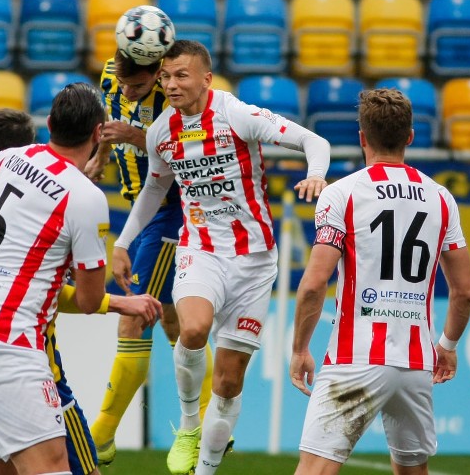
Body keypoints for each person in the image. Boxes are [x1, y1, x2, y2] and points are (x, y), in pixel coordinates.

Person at [0, 108, 162, 475]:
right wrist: (118, 301)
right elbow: (78, 297)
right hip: (21, 355)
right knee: (65, 468)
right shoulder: (64, 202)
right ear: (97, 133)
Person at [112, 40, 331, 475]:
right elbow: (155, 188)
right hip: (201, 249)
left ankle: (205, 469)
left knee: (229, 383)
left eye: (181, 76)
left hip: (254, 262)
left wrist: (316, 175)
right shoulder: (161, 133)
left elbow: (313, 140)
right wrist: (123, 242)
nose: (171, 85)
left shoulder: (238, 115)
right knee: (192, 330)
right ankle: (190, 425)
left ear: (206, 78)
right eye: (166, 76)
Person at [0, 82, 126, 475]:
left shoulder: (13, 159)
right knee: (53, 468)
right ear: (97, 134)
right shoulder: (85, 196)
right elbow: (92, 301)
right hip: (9, 343)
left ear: (49, 124)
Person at [289, 88, 470, 475]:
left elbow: (313, 284)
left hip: (355, 357)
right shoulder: (441, 199)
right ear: (410, 136)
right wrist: (448, 346)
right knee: (411, 470)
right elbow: (464, 292)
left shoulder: (341, 194)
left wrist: (300, 348)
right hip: (415, 363)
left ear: (362, 137)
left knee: (315, 469)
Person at [84, 49, 214, 465]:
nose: (129, 92)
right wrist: (101, 157)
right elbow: (109, 121)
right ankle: (205, 422)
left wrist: (134, 137)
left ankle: (100, 434)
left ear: (157, 76)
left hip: (170, 213)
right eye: (124, 85)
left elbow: (189, 151)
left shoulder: (174, 95)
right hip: (142, 212)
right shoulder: (111, 77)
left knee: (134, 317)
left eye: (139, 86)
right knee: (175, 320)